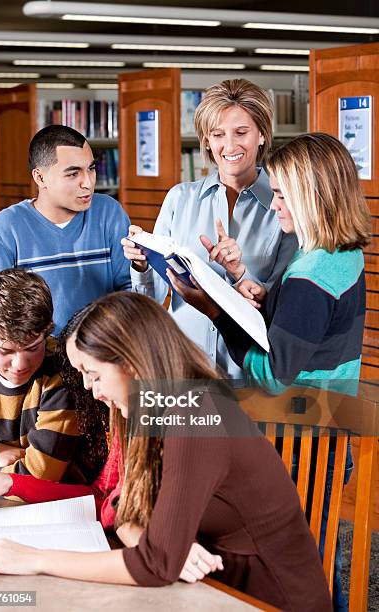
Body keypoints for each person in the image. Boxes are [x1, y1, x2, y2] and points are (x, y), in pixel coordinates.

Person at [0, 292, 331, 612]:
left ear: (129, 361)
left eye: (93, 374)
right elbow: (116, 505)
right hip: (197, 590)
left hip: (260, 598)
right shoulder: (147, 406)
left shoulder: (196, 414)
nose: (89, 389)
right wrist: (149, 537)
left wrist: (34, 559)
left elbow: (155, 565)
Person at [168, 132, 371, 611]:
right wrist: (247, 286)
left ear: (310, 195)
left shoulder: (310, 273)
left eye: (281, 193)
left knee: (295, 560)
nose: (273, 202)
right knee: (314, 552)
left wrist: (218, 314)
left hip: (301, 434)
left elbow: (274, 373)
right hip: (328, 423)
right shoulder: (339, 253)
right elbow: (304, 329)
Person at [122, 79, 297, 379]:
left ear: (262, 136)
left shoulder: (287, 208)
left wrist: (240, 274)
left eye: (241, 133)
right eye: (217, 135)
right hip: (182, 370)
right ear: (205, 140)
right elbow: (152, 298)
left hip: (249, 375)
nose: (229, 146)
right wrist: (141, 264)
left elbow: (283, 304)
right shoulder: (180, 198)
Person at [0, 124, 131, 338]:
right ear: (40, 177)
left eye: (91, 169)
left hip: (102, 353)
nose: (88, 183)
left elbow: (132, 293)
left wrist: (143, 268)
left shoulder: (109, 212)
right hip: (37, 363)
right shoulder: (3, 230)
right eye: (73, 173)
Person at [0, 268, 82, 482]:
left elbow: (40, 476)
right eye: (5, 350)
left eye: (32, 348)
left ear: (47, 332)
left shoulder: (63, 370)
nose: (20, 364)